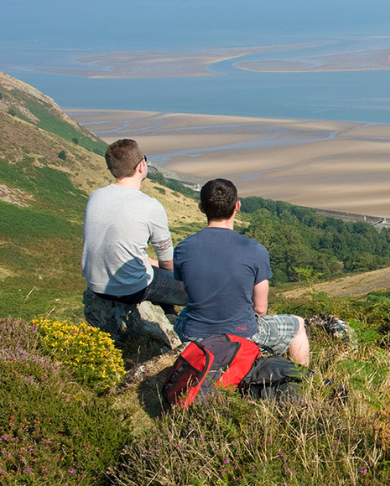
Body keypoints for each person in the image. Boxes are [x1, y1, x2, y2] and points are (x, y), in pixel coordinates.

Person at [173, 178, 310, 366]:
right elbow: (260, 308)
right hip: (241, 334)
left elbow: (186, 292)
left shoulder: (182, 249)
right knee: (298, 325)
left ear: (201, 208)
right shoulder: (255, 250)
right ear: (237, 206)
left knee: (181, 316)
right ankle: (303, 380)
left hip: (194, 336)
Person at [82, 139, 188, 311]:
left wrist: (151, 262)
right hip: (129, 288)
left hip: (96, 284)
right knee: (192, 289)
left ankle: (167, 316)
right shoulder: (150, 206)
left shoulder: (95, 196)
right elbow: (167, 262)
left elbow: (118, 245)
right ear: (141, 166)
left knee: (156, 276)